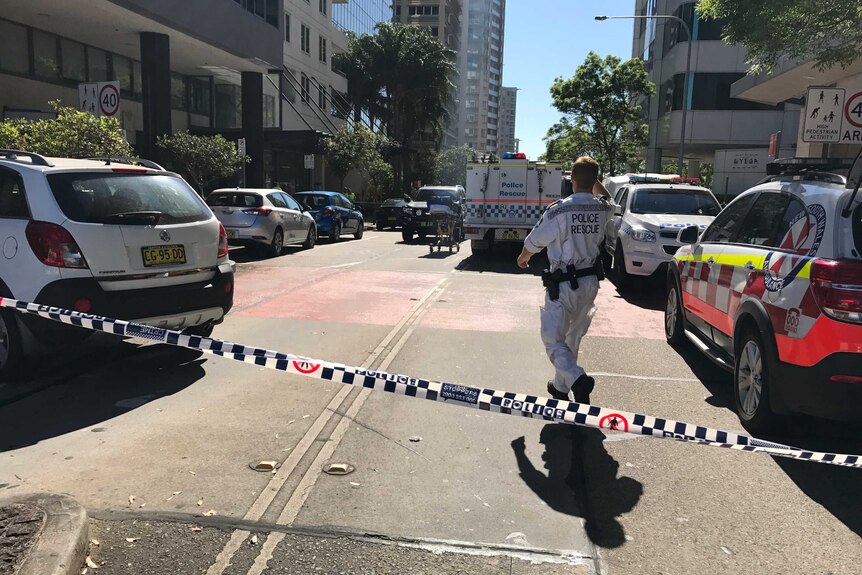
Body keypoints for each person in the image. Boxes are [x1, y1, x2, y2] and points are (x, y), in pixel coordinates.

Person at [516, 156, 614, 404]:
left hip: (564, 285)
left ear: (572, 179)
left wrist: (524, 257)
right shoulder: (602, 208)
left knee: (552, 339)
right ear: (593, 181)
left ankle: (577, 379)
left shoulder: (560, 209)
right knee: (572, 337)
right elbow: (609, 199)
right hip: (590, 283)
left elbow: (535, 240)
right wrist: (593, 178)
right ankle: (561, 388)